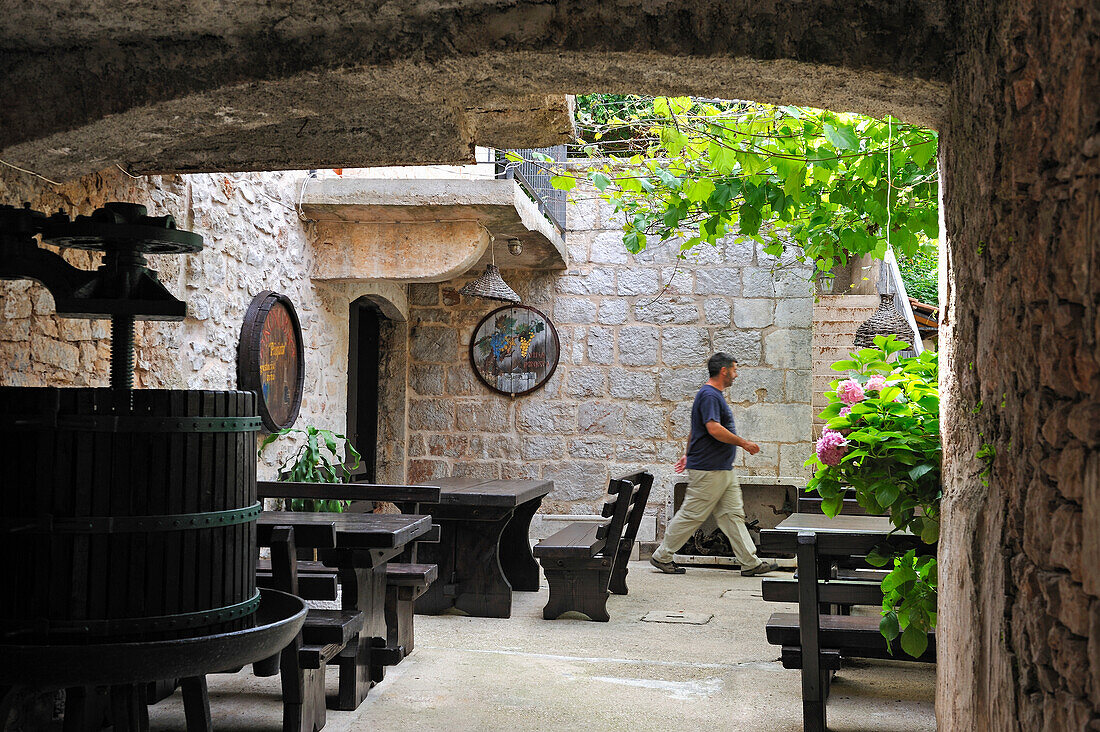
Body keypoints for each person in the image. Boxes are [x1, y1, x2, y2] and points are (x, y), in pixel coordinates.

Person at [649, 352, 780, 576]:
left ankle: (750, 563)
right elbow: (712, 428)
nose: (736, 375)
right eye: (734, 370)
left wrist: (687, 453)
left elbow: (695, 429)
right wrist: (744, 443)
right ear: (724, 371)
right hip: (709, 470)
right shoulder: (710, 395)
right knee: (692, 514)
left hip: (720, 469)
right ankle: (662, 556)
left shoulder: (711, 395)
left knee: (732, 515)